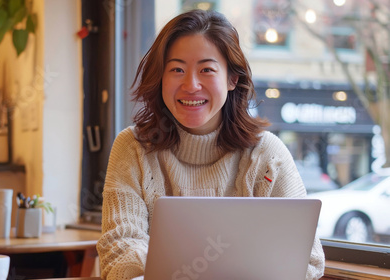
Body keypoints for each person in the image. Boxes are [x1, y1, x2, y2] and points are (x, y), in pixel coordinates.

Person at [97, 9, 325, 280]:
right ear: (160, 78)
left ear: (232, 79)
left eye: (206, 69)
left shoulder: (267, 154)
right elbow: (118, 253)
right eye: (177, 69)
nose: (191, 85)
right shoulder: (132, 147)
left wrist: (178, 259)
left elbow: (308, 261)